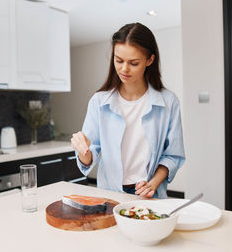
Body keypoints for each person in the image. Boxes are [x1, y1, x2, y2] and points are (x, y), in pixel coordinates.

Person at [71, 23, 185, 199]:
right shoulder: (99, 102)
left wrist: (153, 183)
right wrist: (83, 151)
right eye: (119, 60)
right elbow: (90, 153)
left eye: (133, 63)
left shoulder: (168, 102)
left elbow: (173, 155)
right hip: (109, 194)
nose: (124, 69)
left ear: (150, 60)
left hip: (149, 195)